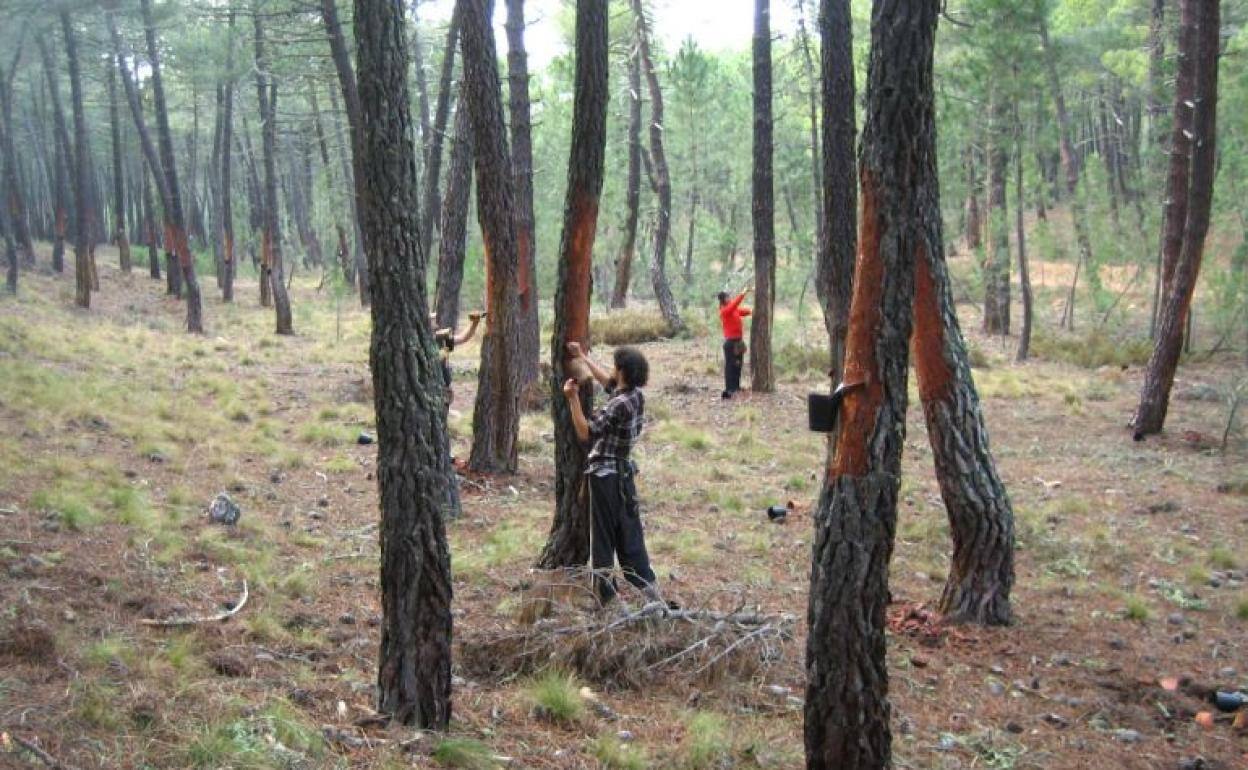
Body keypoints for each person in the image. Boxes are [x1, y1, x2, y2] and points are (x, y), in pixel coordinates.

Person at [562, 342, 664, 606]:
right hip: (623, 477)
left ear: (622, 371)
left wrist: (573, 399)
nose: (612, 370)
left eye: (615, 366)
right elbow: (608, 382)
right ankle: (648, 589)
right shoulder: (635, 397)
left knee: (603, 539)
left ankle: (606, 596)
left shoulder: (617, 405)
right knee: (629, 534)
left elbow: (586, 432)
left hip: (604, 478)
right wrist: (582, 357)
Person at [717, 284, 752, 399]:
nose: (729, 298)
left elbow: (742, 311)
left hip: (738, 341)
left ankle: (736, 387)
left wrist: (751, 311)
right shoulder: (725, 310)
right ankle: (729, 389)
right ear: (723, 300)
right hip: (730, 343)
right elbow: (734, 305)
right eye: (727, 297)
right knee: (730, 366)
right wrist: (743, 293)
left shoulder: (733, 309)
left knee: (738, 365)